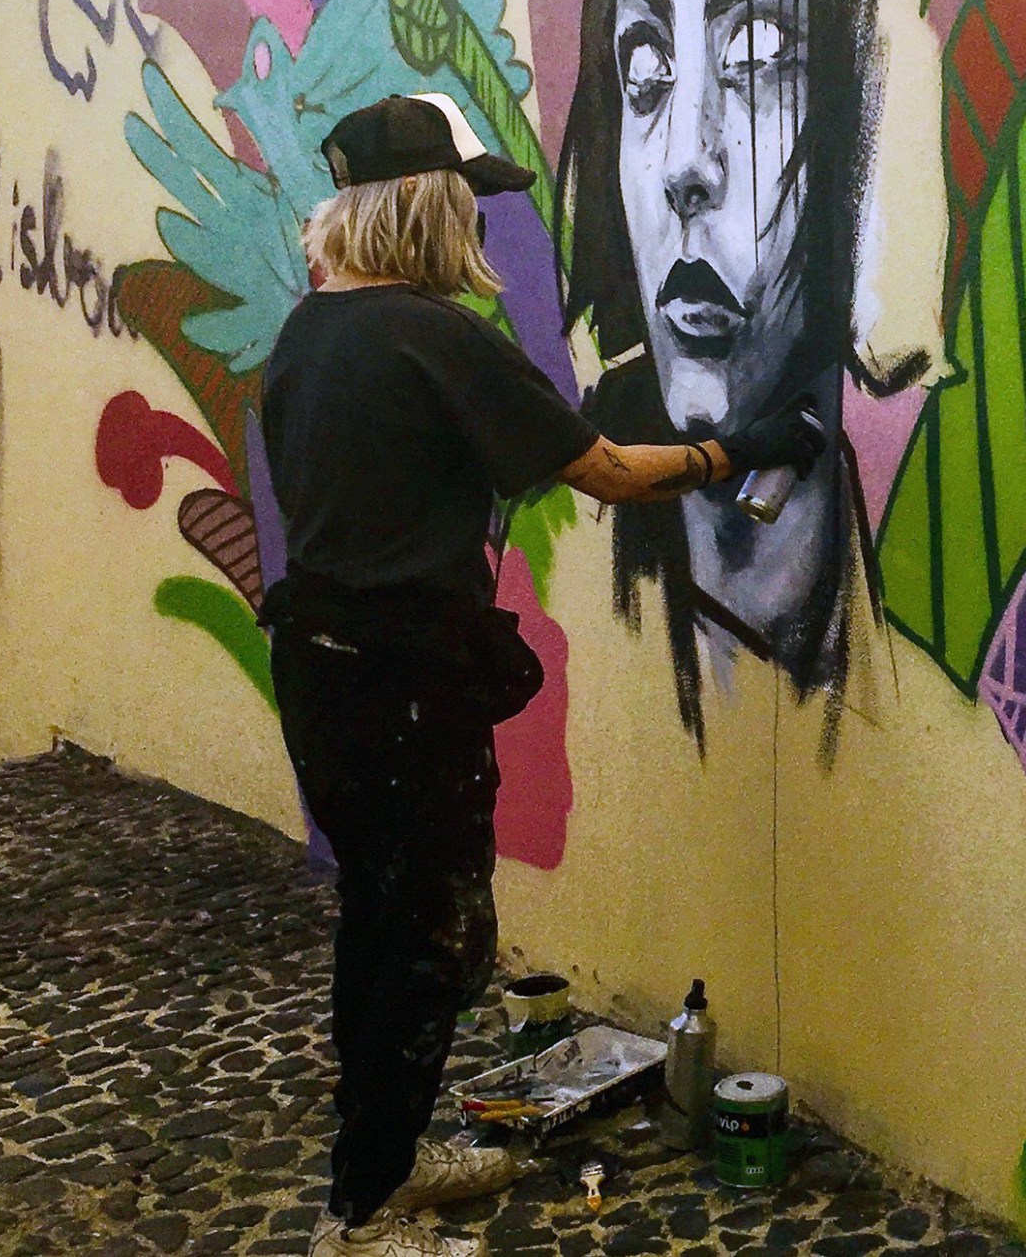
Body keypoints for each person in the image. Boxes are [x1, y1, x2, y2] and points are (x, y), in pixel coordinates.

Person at [260, 93, 824, 1257]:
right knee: (425, 939)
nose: (479, 225)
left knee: (382, 922)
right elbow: (609, 472)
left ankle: (389, 1160)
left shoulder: (312, 330)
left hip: (325, 673)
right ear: (428, 208)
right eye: (469, 200)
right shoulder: (433, 337)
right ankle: (361, 1220)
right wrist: (745, 447)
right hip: (403, 684)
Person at [563, 0, 871, 748]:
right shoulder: (558, 586)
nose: (684, 164)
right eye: (647, 63)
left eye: (760, 54)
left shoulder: (965, 752)